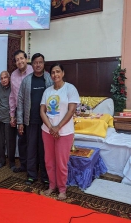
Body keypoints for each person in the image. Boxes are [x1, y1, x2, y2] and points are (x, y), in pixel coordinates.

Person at [40, 63, 80, 200]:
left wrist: (58, 127)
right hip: (47, 131)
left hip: (65, 132)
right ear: (50, 75)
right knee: (49, 161)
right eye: (53, 72)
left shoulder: (70, 88)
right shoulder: (47, 91)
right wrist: (51, 127)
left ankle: (62, 189)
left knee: (62, 162)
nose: (55, 74)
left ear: (63, 73)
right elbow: (42, 110)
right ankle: (52, 186)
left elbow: (71, 110)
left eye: (58, 71)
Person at [17, 53, 53, 185]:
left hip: (47, 122)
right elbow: (20, 102)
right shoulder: (27, 81)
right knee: (31, 149)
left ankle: (45, 175)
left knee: (45, 150)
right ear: (31, 65)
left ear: (44, 64)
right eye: (35, 63)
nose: (38, 65)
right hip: (31, 121)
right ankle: (31, 175)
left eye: (40, 62)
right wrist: (20, 122)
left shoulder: (49, 79)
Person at [9, 50, 33, 172]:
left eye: (21, 58)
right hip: (20, 112)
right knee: (22, 139)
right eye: (17, 60)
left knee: (33, 140)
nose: (20, 61)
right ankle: (24, 165)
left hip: (33, 111)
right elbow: (13, 97)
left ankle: (33, 167)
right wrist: (12, 115)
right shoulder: (13, 75)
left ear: (26, 58)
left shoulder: (33, 71)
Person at [0, 71, 16, 169]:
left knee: (10, 142)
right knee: (0, 142)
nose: (3, 80)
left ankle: (12, 162)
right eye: (1, 78)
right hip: (0, 118)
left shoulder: (13, 87)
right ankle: (1, 161)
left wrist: (14, 117)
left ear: (9, 78)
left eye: (5, 78)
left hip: (9, 119)